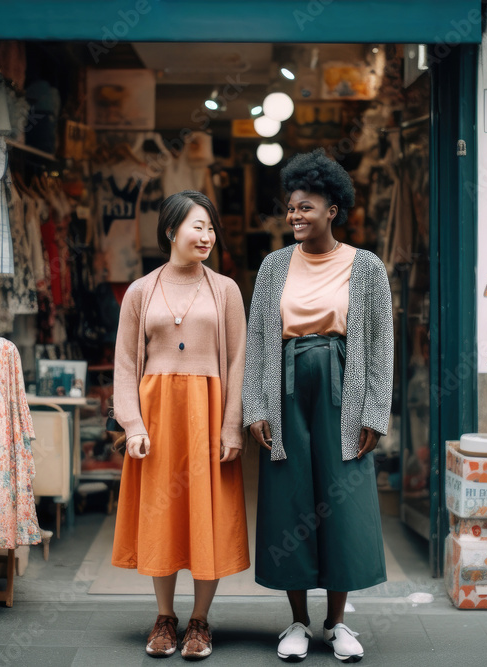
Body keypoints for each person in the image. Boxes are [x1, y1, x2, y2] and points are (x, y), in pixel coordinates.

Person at [243, 150, 393, 663]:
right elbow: (259, 336)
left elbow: (381, 343)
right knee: (290, 499)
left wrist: (376, 410)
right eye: (290, 209)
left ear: (333, 209)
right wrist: (255, 404)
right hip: (283, 389)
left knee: (341, 498)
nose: (295, 217)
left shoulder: (366, 266)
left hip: (342, 388)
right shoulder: (273, 266)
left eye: (305, 208)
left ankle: (337, 623)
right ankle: (297, 622)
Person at [112, 190, 250, 660]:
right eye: (198, 226)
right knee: (163, 514)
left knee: (207, 514)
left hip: (209, 413)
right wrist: (132, 424)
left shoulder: (226, 289)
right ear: (171, 231)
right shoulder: (140, 291)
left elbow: (239, 363)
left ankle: (200, 622)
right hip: (158, 417)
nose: (207, 235)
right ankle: (165, 617)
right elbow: (126, 363)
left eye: (211, 228)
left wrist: (233, 427)